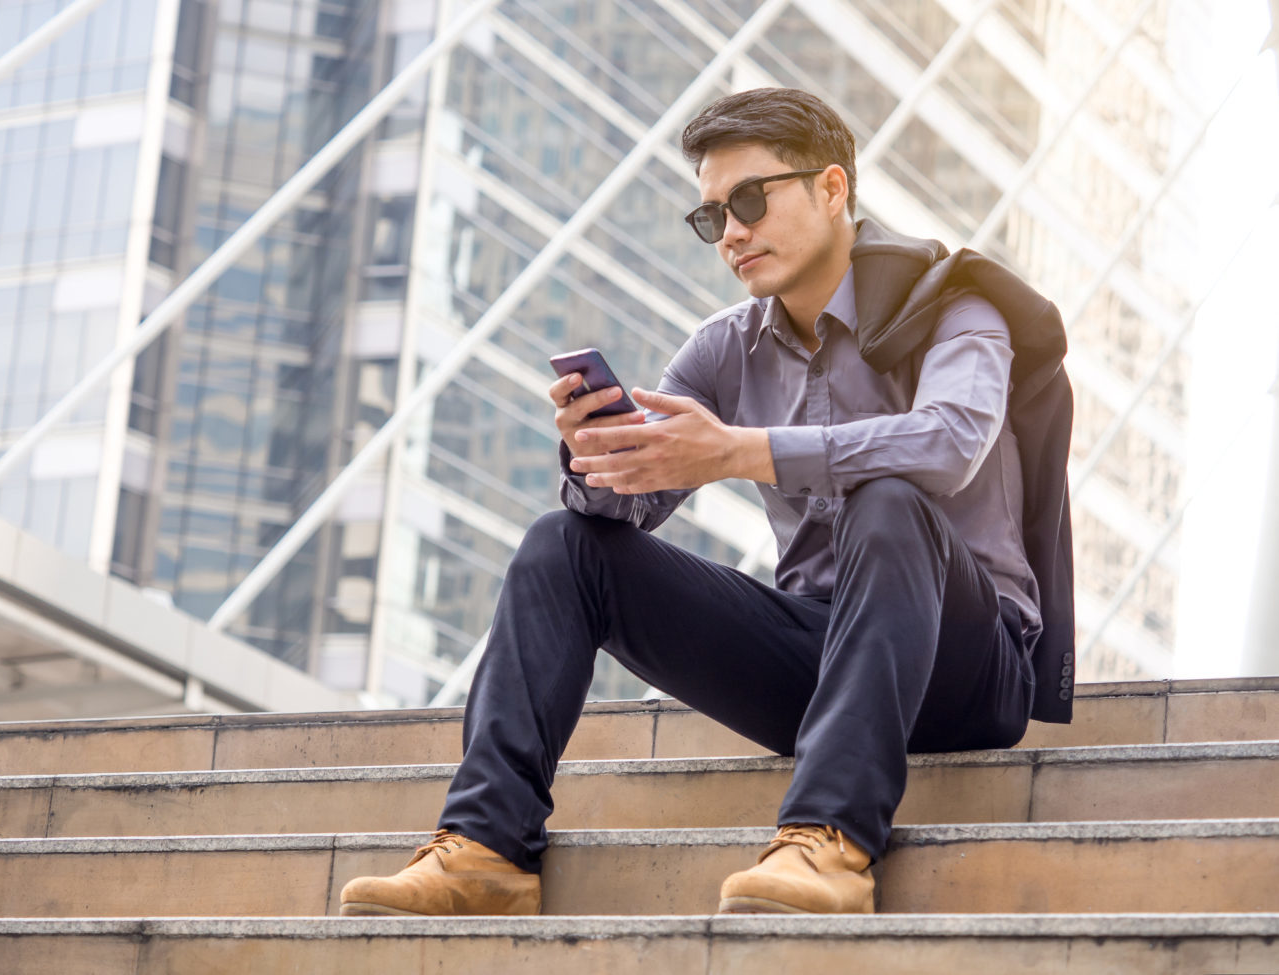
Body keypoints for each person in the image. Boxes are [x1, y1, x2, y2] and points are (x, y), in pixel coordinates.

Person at [339, 86, 1073, 918]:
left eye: (750, 201)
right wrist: (598, 458)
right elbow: (629, 508)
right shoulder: (725, 348)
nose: (730, 234)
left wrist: (738, 450)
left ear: (833, 189)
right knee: (562, 544)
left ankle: (827, 841)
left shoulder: (956, 305)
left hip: (969, 667)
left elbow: (949, 443)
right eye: (712, 216)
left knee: (891, 500)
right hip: (819, 660)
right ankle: (485, 849)